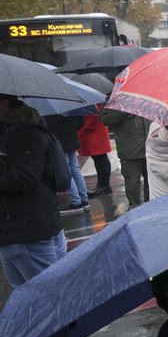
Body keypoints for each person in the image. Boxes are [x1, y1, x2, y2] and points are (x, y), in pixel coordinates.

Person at [0, 94, 67, 286]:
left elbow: (25, 177)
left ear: (4, 102)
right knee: (36, 299)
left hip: (26, 230)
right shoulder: (15, 130)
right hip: (25, 228)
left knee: (44, 298)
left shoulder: (22, 133)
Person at [100, 105, 151, 207]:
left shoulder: (146, 94)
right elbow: (105, 119)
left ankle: (151, 206)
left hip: (150, 146)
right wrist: (121, 109)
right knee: (132, 181)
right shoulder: (115, 98)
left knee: (151, 181)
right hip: (130, 150)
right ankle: (135, 208)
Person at [46, 114, 88, 211]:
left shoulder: (51, 112)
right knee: (75, 170)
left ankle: (76, 201)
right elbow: (81, 122)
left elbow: (48, 125)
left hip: (61, 142)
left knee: (67, 171)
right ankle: (83, 198)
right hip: (72, 139)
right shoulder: (70, 105)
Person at [78, 113, 114, 196]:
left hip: (94, 133)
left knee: (100, 159)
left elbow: (94, 117)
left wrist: (83, 130)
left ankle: (104, 186)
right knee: (100, 159)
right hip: (96, 133)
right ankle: (103, 185)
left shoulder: (93, 103)